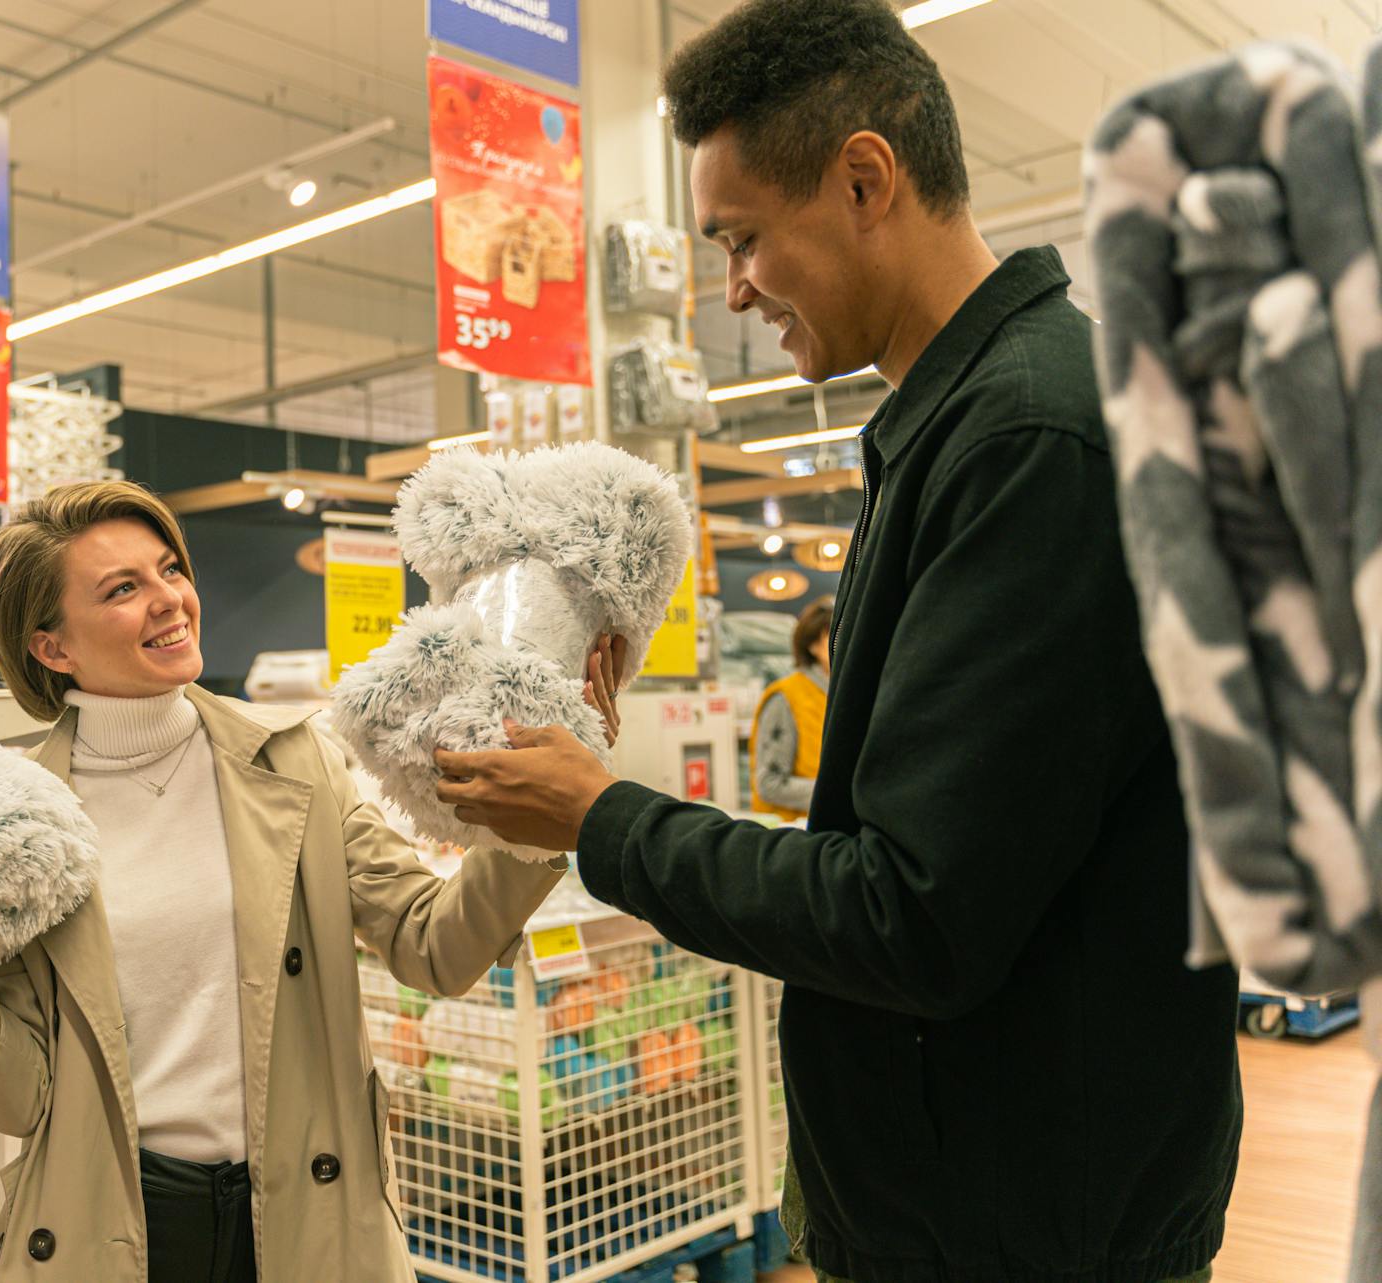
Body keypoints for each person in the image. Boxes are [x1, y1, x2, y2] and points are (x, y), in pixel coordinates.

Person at [430, 3, 1242, 1282]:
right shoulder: (963, 427)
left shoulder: (1029, 443)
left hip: (1021, 1228)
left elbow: (913, 915)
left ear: (865, 179)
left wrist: (605, 816)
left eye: (744, 240)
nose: (734, 290)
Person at [0, 480, 625, 1283]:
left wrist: (555, 808)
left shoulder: (296, 759)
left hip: (303, 1211)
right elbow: (19, 1094)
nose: (169, 598)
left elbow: (435, 946)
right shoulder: (12, 814)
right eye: (121, 589)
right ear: (51, 645)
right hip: (121, 1224)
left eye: (170, 569)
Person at [749, 597, 832, 821]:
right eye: (832, 637)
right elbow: (770, 783)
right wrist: (839, 793)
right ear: (812, 644)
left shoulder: (848, 695)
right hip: (795, 835)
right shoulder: (785, 697)